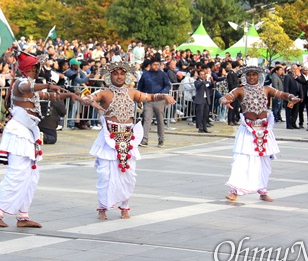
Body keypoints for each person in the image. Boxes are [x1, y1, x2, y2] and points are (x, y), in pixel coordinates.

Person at [0, 51, 86, 229]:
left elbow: (50, 96)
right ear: (33, 67)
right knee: (16, 175)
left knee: (31, 177)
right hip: (19, 133)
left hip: (29, 134)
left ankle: (22, 215)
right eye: (37, 66)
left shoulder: (32, 86)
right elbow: (29, 87)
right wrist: (49, 85)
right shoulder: (21, 83)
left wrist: (71, 96)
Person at [82, 61, 175, 219]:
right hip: (109, 138)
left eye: (122, 74)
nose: (119, 77)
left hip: (128, 137)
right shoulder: (104, 93)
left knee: (128, 175)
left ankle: (124, 207)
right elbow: (88, 98)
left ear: (126, 76)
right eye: (116, 74)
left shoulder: (132, 92)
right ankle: (102, 208)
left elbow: (149, 97)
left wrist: (164, 95)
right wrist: (93, 103)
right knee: (105, 175)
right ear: (110, 76)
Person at [220, 67, 302, 202]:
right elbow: (226, 97)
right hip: (248, 129)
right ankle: (234, 191)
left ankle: (263, 191)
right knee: (241, 160)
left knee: (263, 162)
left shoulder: (266, 89)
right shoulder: (239, 90)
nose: (251, 77)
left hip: (263, 130)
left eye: (254, 75)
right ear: (245, 77)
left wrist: (291, 97)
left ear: (258, 76)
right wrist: (224, 101)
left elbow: (281, 94)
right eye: (249, 75)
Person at [137, 57, 172, 146]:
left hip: (159, 99)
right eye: (154, 65)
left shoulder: (163, 74)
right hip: (148, 99)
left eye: (157, 65)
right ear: (151, 65)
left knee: (160, 120)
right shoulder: (145, 75)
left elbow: (168, 85)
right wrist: (139, 99)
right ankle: (144, 139)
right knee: (146, 119)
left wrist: (162, 94)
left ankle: (161, 139)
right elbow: (140, 87)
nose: (156, 66)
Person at [194, 64, 215, 133]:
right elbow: (198, 86)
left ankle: (205, 127)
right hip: (200, 100)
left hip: (206, 99)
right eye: (201, 74)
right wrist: (203, 81)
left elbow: (211, 86)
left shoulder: (206, 82)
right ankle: (200, 128)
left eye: (204, 74)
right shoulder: (197, 82)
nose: (203, 75)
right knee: (200, 114)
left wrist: (212, 81)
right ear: (199, 75)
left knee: (205, 114)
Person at [283, 65, 302, 129]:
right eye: (293, 68)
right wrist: (288, 97)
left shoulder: (298, 77)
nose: (295, 70)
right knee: (289, 111)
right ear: (291, 69)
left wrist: (301, 96)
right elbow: (286, 87)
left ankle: (293, 123)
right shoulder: (288, 77)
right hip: (290, 98)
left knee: (295, 112)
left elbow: (300, 87)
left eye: (296, 69)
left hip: (297, 97)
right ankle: (289, 124)